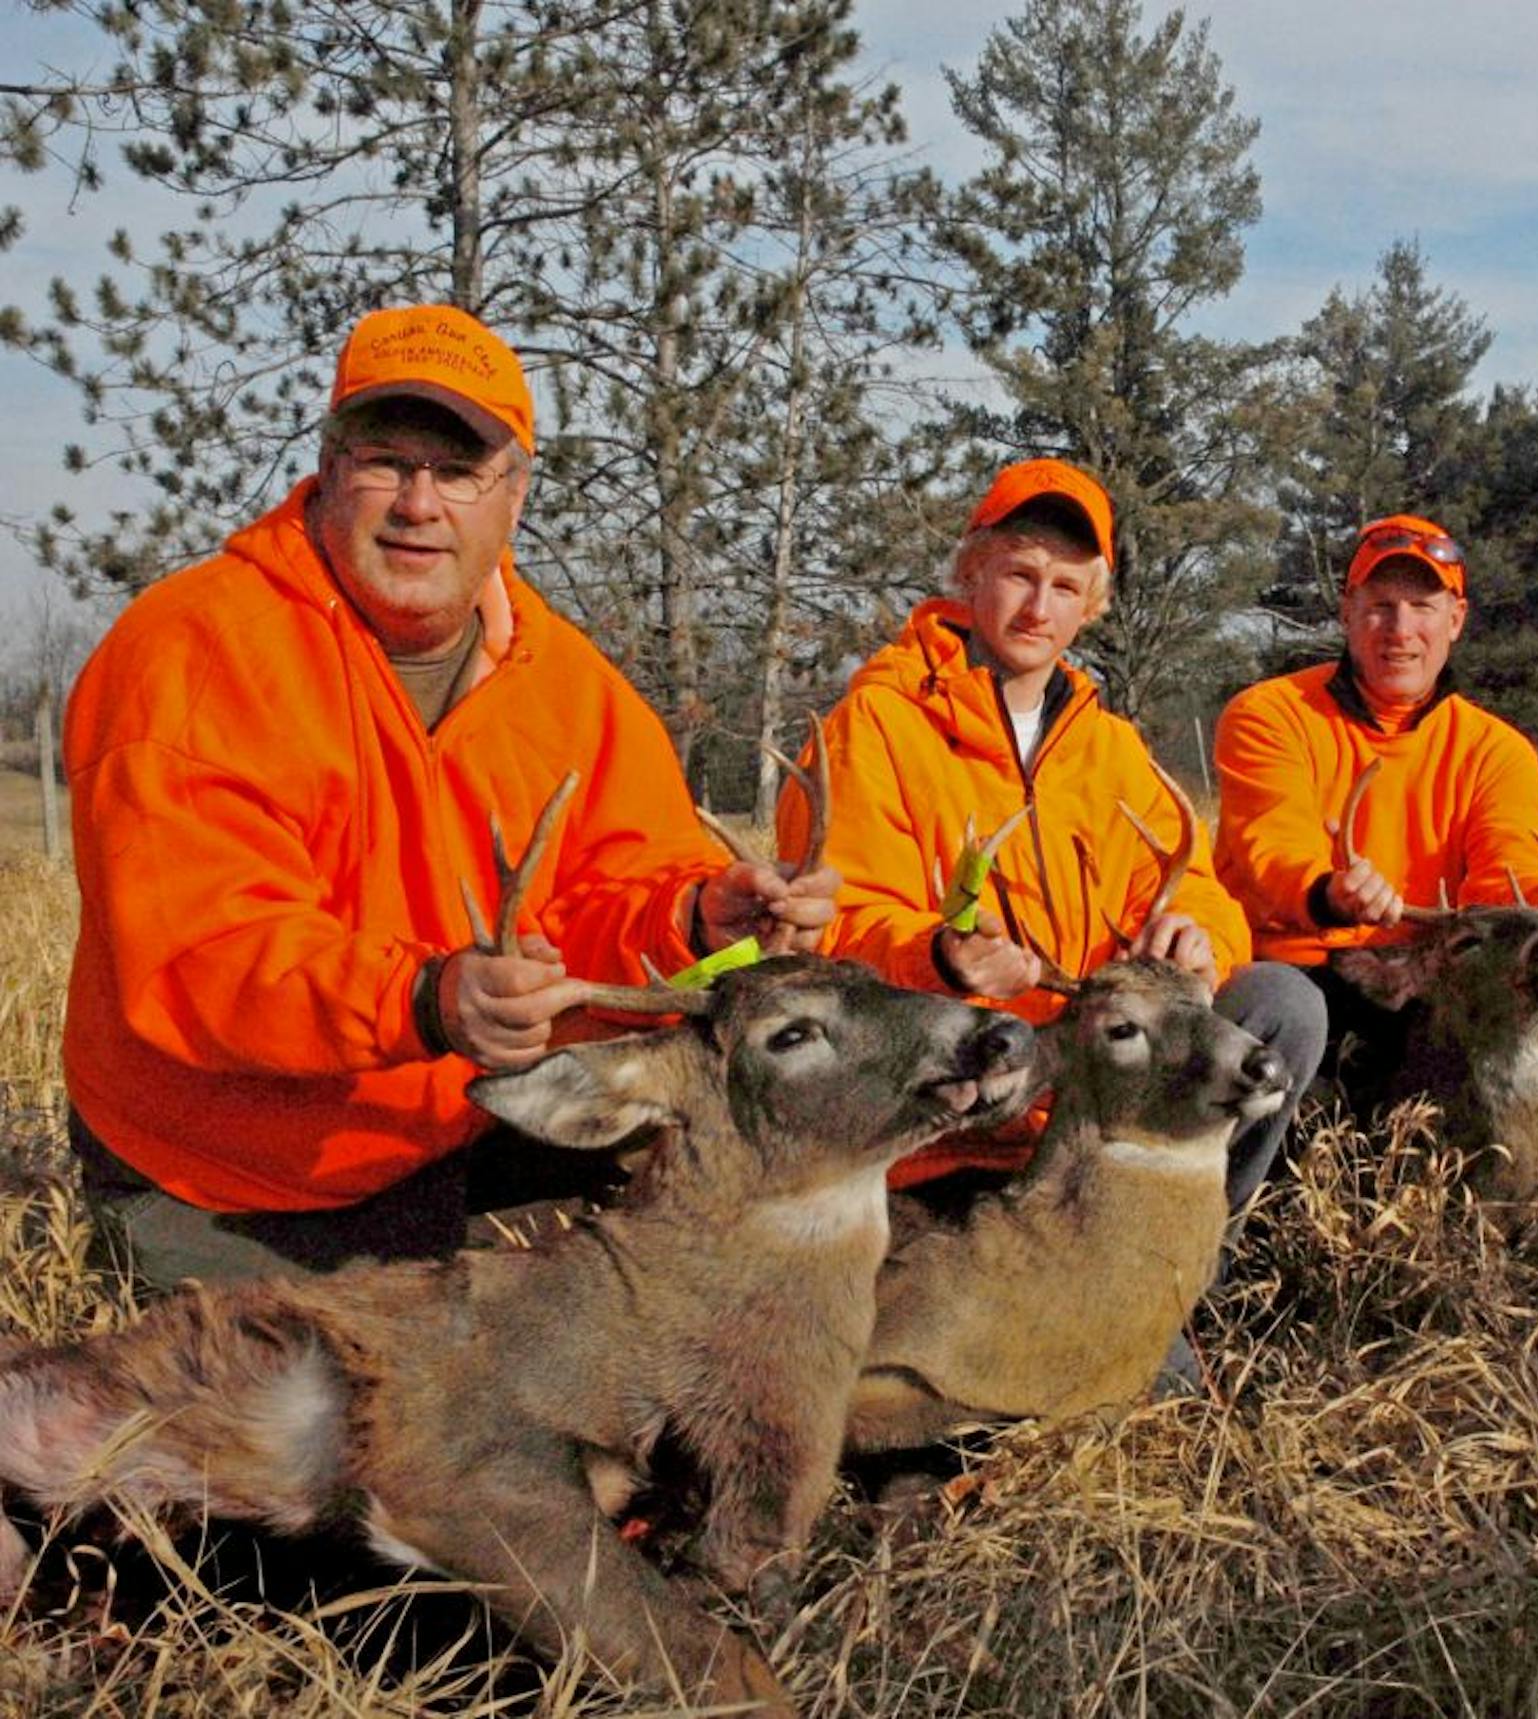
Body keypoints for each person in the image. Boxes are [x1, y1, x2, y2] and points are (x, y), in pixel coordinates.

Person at [63, 303, 838, 1290]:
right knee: (292, 1423)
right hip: (227, 1168)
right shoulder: (192, 654)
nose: (419, 504)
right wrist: (422, 1001)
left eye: (460, 471)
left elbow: (620, 879)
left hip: (464, 1121)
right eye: (387, 460)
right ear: (330, 469)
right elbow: (203, 958)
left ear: (513, 495)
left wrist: (696, 910)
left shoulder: (565, 684)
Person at [774, 458, 1322, 1217]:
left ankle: (1193, 1256)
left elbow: (1198, 887)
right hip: (946, 1120)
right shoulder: (877, 727)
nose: (1039, 608)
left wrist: (1199, 936)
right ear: (971, 573)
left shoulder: (1110, 748)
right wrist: (937, 956)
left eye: (1065, 586)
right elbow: (833, 924)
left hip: (1094, 1099)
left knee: (1283, 1001)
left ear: (1091, 605)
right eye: (1020, 575)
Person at [1213, 513, 1538, 1081]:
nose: (1399, 629)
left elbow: (1508, 864)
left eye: (1423, 608)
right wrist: (1329, 892)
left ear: (1456, 620)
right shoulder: (1271, 714)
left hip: (1428, 983)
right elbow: (1272, 843)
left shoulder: (1495, 750)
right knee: (1287, 1007)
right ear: (1347, 612)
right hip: (1299, 970)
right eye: (1380, 605)